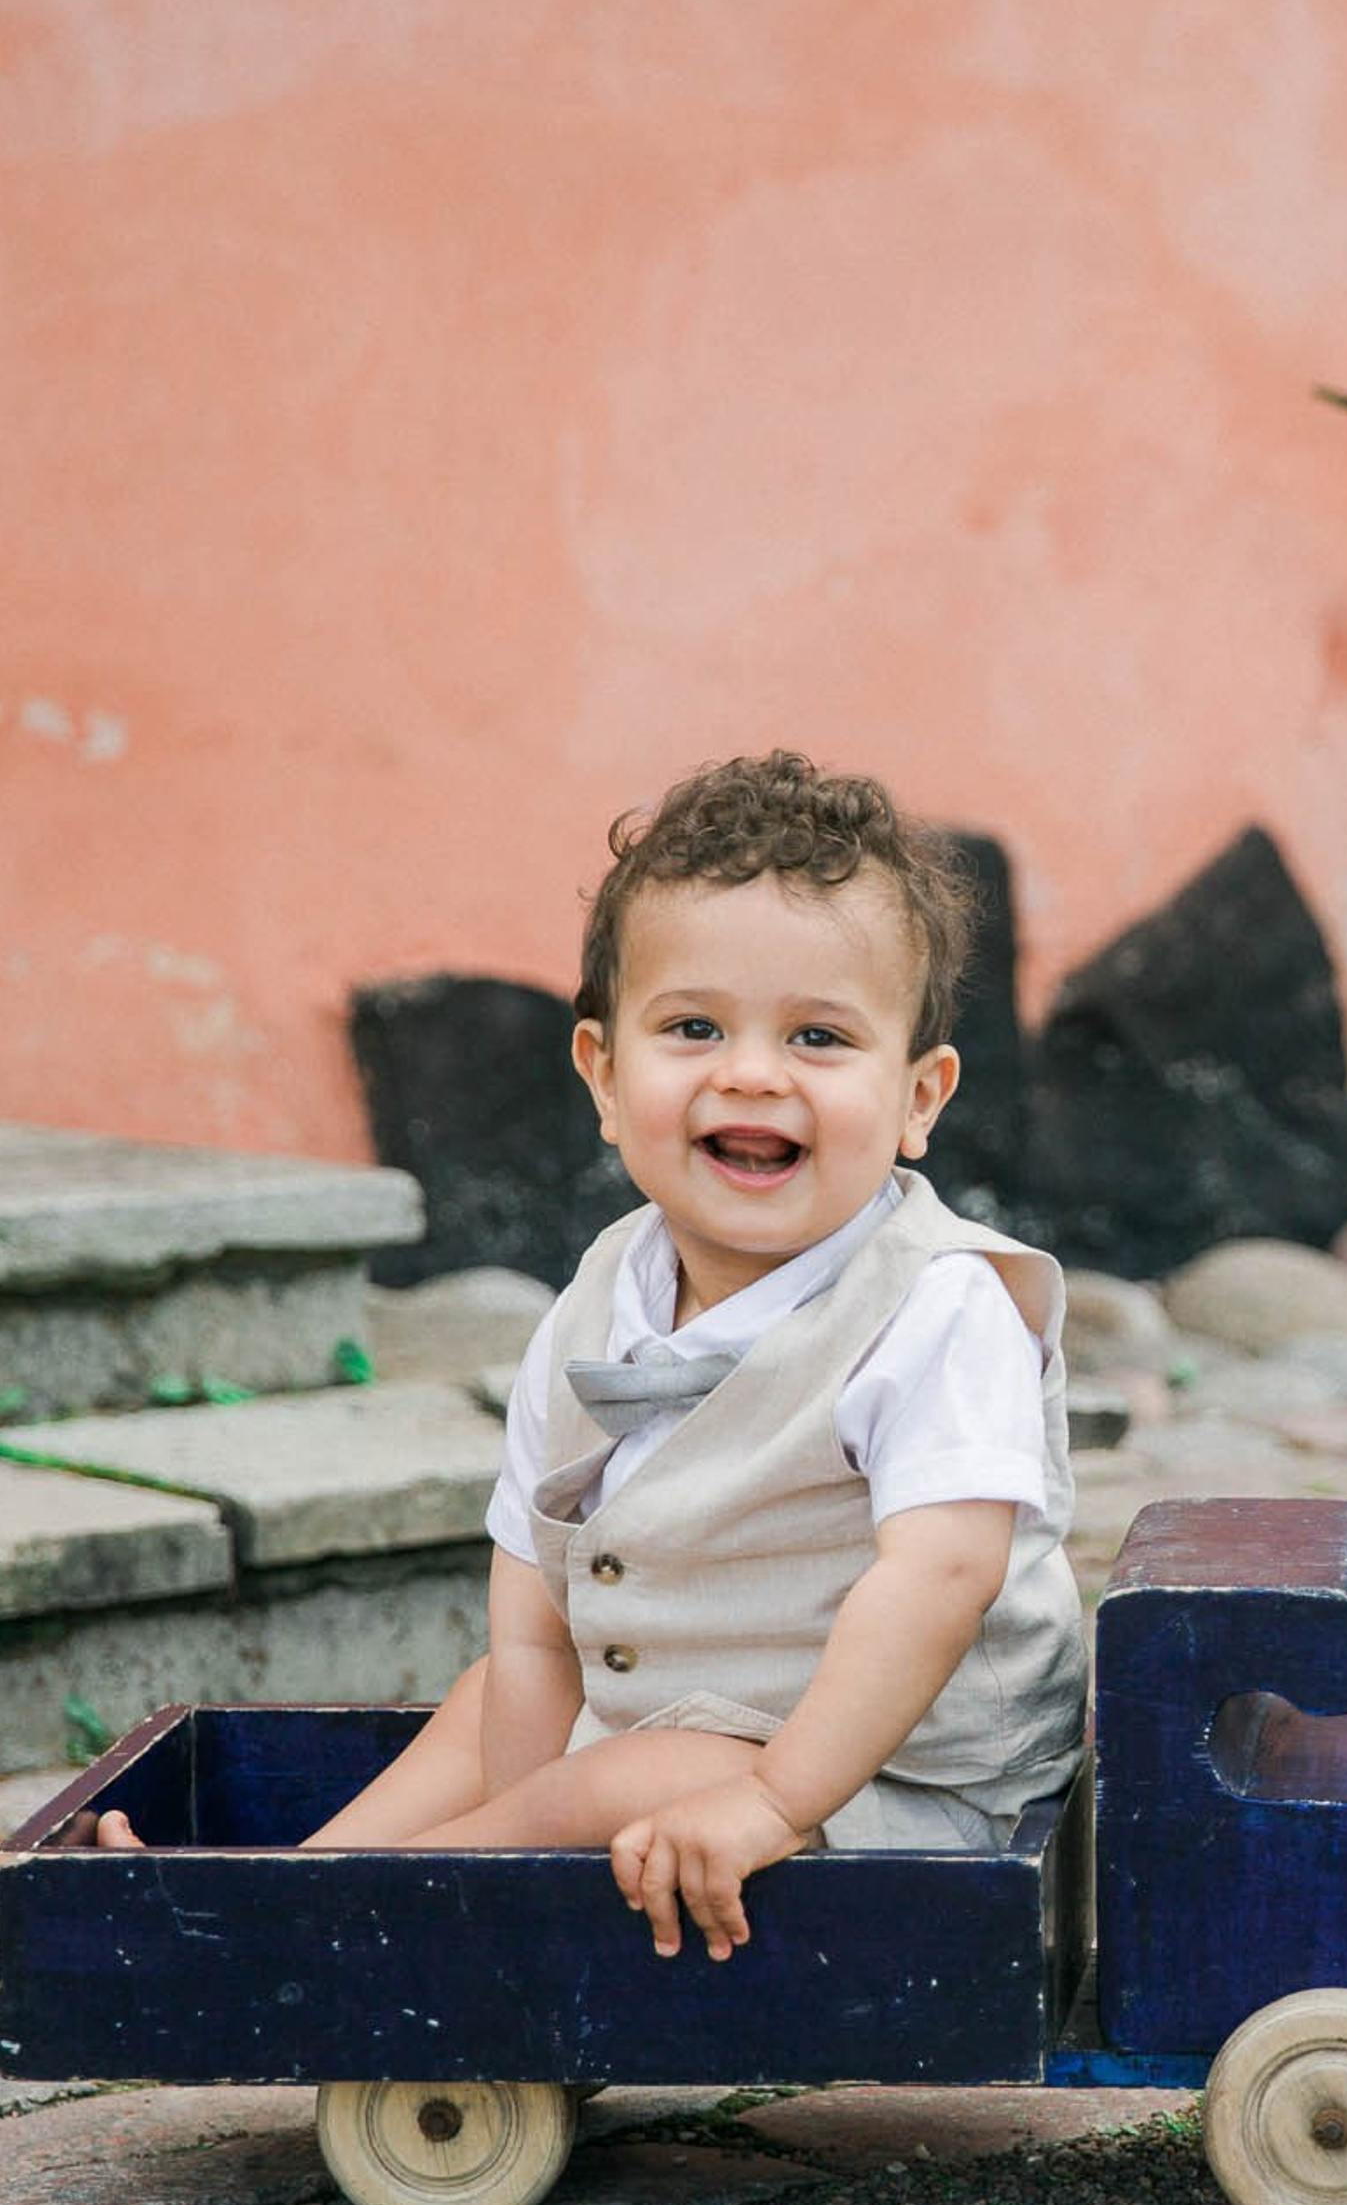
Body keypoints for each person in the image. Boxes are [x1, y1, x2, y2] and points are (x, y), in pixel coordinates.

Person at [97, 751, 1087, 1962]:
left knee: (599, 1789)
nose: (751, 1071)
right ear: (606, 1076)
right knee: (484, 1712)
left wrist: (771, 1800)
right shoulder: (600, 1296)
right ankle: (296, 1888)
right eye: (692, 1027)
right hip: (691, 1715)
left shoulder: (938, 1306)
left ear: (919, 1097)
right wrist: (523, 1841)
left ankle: (304, 1931)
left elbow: (939, 1579)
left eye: (820, 1035)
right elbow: (536, 1612)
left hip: (913, 1782)